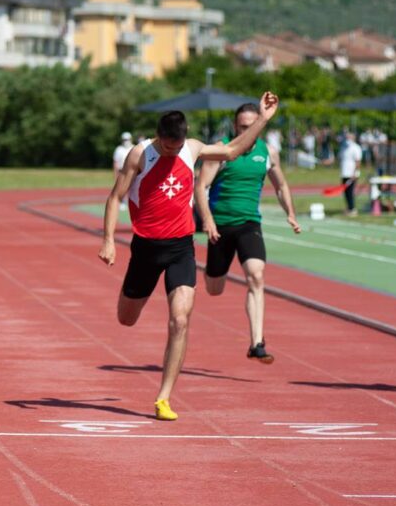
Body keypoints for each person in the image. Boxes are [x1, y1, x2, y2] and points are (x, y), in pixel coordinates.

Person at [100, 92, 280, 421]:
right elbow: (115, 198)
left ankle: (164, 398)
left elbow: (232, 149)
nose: (172, 152)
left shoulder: (192, 148)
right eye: (167, 147)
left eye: (176, 146)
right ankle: (131, 294)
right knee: (126, 318)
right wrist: (109, 240)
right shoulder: (139, 154)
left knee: (180, 319)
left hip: (181, 247)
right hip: (146, 247)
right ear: (159, 137)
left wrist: (265, 119)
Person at [195, 102, 302, 364]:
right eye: (243, 126)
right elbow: (201, 187)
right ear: (235, 126)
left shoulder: (268, 152)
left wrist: (290, 211)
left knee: (256, 274)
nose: (248, 130)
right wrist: (207, 220)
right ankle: (211, 271)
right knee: (214, 288)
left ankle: (257, 342)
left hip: (249, 223)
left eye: (253, 125)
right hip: (220, 226)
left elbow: (280, 185)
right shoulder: (221, 150)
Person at [338, 130, 363, 216]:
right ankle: (349, 208)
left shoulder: (356, 148)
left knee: (350, 192)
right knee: (345, 192)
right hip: (344, 173)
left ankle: (352, 208)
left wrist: (355, 173)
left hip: (351, 174)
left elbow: (358, 162)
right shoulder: (343, 147)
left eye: (349, 136)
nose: (347, 138)